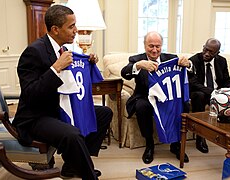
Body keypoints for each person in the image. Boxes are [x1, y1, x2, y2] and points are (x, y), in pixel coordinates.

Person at [12, 5, 112, 179]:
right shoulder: (33, 52)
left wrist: (89, 62)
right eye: (71, 26)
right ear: (55, 30)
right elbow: (30, 94)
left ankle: (73, 165)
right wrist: (55, 68)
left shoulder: (63, 50)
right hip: (36, 117)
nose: (76, 30)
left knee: (103, 113)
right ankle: (88, 175)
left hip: (59, 108)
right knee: (72, 134)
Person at [121, 31, 190, 164]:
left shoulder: (171, 58)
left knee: (183, 104)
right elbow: (125, 73)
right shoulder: (136, 59)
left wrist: (188, 64)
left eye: (157, 46)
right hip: (145, 96)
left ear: (161, 46)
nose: (154, 50)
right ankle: (149, 145)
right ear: (144, 45)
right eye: (150, 46)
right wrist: (139, 65)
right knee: (142, 107)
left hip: (168, 97)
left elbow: (190, 74)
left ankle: (176, 144)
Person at [188, 38, 230, 153]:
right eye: (205, 49)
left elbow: (226, 79)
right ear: (203, 47)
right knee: (198, 95)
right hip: (201, 92)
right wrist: (213, 92)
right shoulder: (193, 60)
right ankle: (200, 138)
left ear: (217, 53)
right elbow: (193, 83)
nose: (207, 53)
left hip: (217, 93)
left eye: (211, 52)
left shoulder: (221, 61)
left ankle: (226, 135)